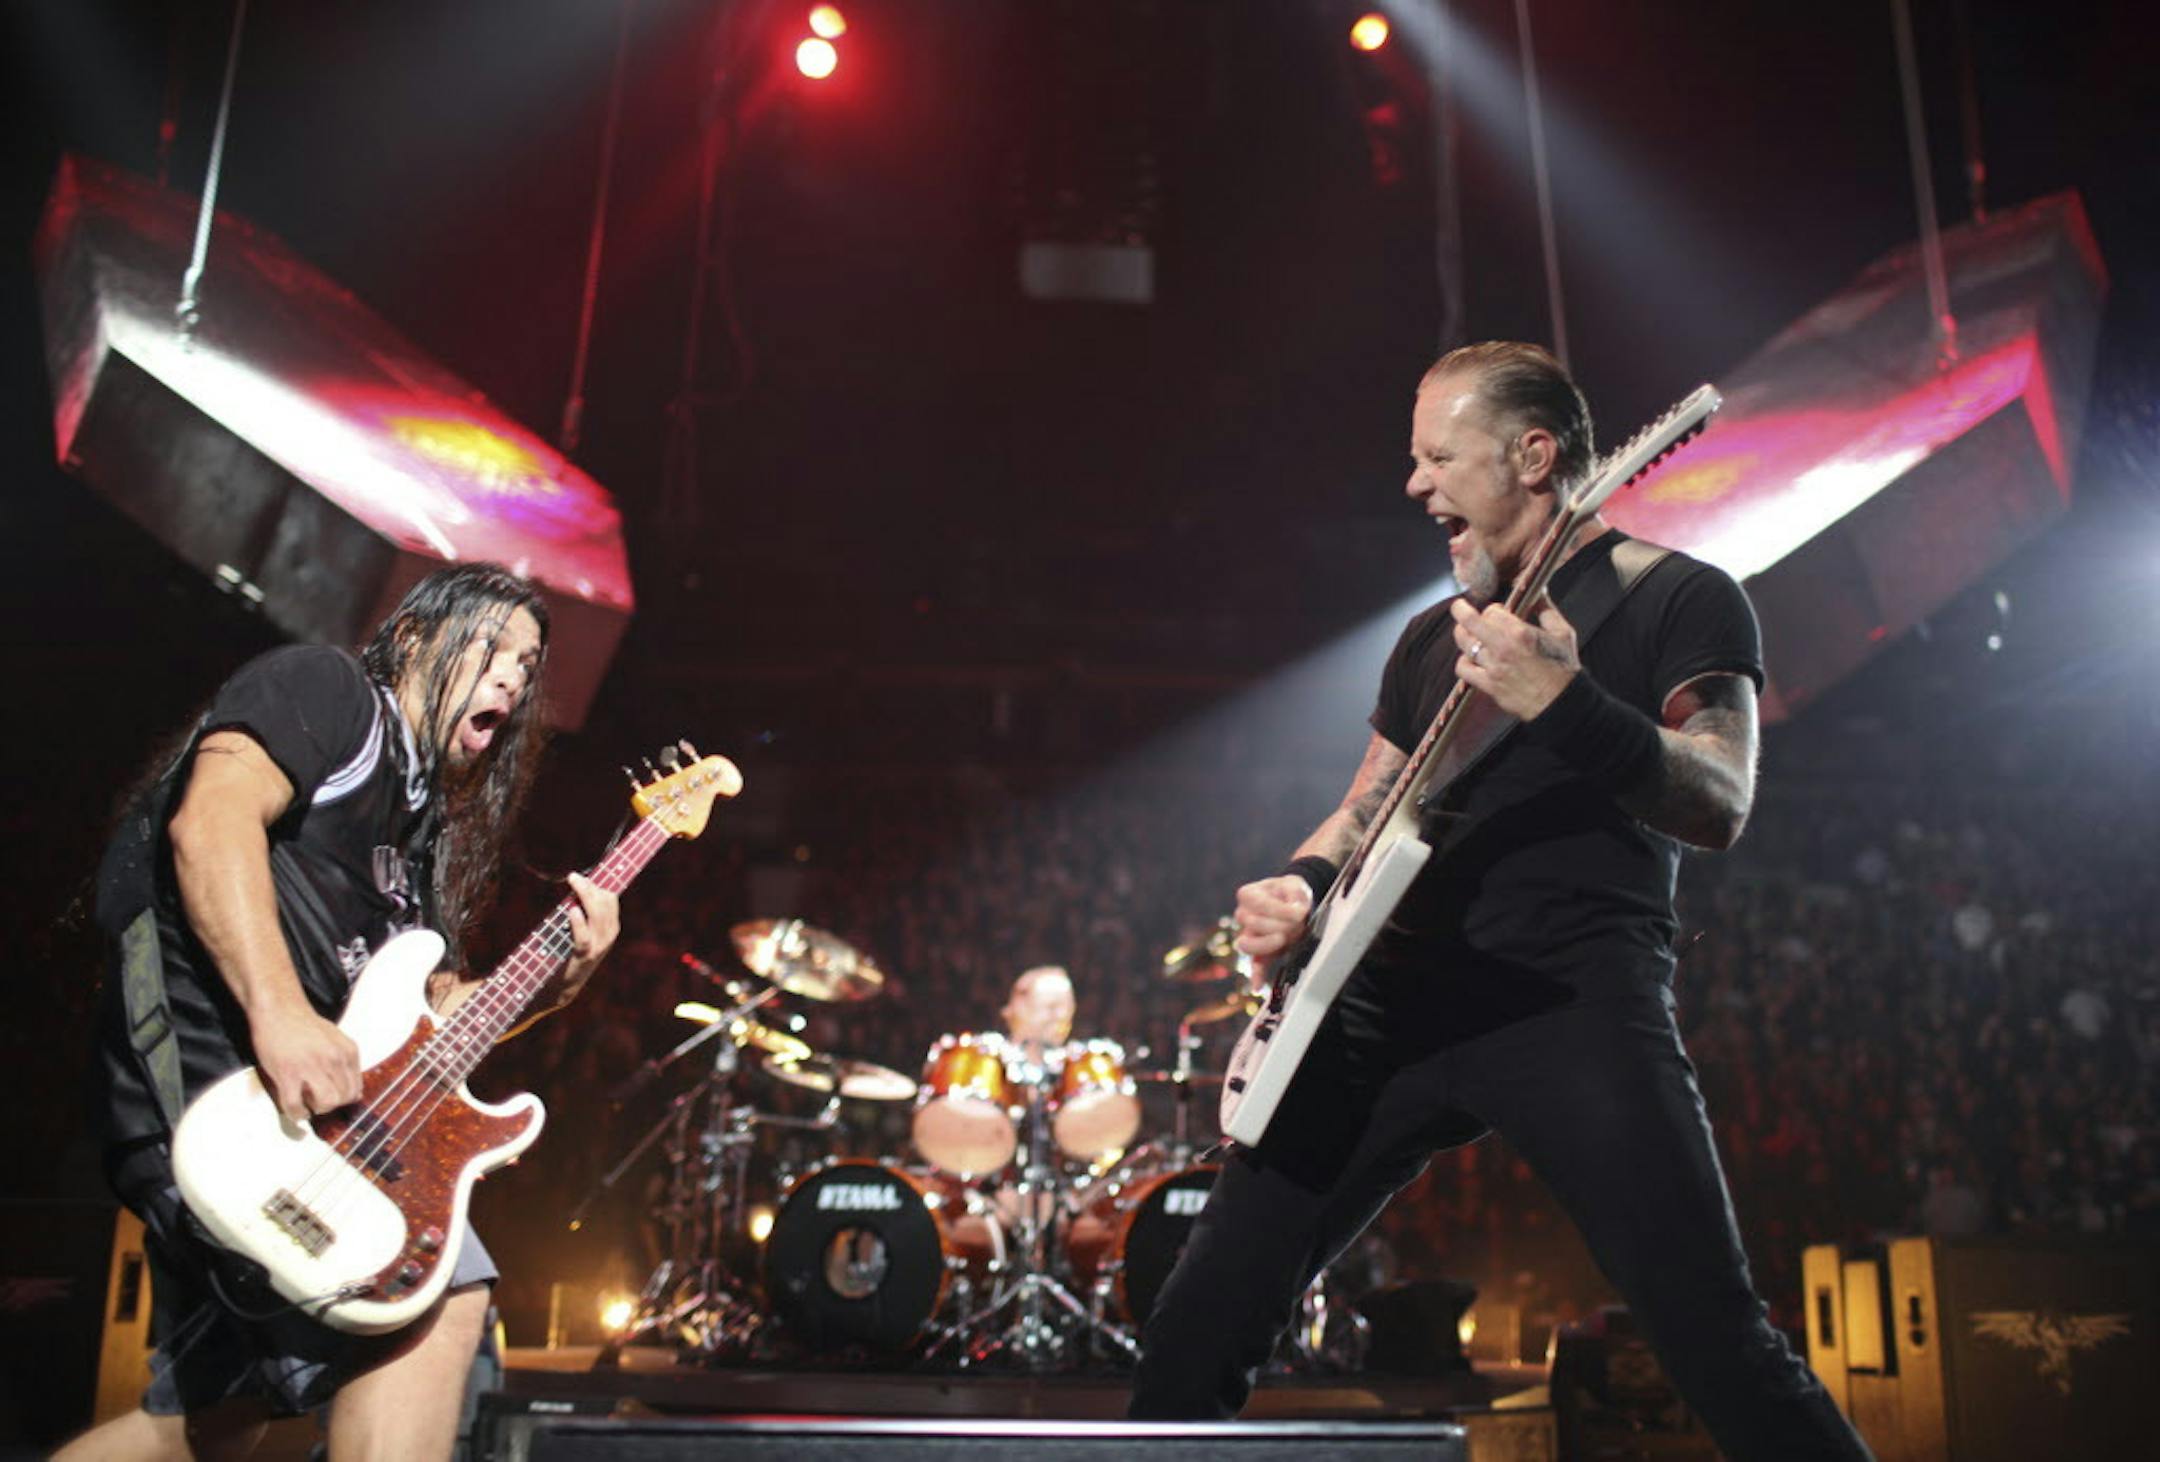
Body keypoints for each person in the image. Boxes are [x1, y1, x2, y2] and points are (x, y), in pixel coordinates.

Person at [1129, 343, 1871, 1459]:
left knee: (1712, 1336)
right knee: (1195, 1330)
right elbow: (1361, 812)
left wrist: (1567, 701)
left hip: (1570, 1004)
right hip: (1381, 1008)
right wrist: (1296, 886)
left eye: (1439, 457)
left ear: (1533, 456)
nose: (1415, 485)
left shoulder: (1680, 597)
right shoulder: (1433, 638)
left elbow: (1720, 798)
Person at [63, 563, 621, 1461]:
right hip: (214, 1076)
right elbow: (209, 823)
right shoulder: (324, 689)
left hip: (295, 1117)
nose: (516, 677)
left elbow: (432, 1027)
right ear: (411, 640)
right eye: (494, 648)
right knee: (435, 1294)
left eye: (529, 663)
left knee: (215, 1427)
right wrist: (282, 1014)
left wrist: (557, 980)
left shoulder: (420, 824)